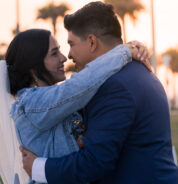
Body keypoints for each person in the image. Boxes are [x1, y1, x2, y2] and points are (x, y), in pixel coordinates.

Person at [21, 1, 178, 184]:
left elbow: (95, 162)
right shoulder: (139, 72)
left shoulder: (114, 86)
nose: (68, 55)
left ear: (91, 42)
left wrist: (38, 168)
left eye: (71, 44)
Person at [0, 26, 149, 184]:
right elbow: (80, 85)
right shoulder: (30, 104)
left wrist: (134, 48)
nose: (64, 57)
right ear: (33, 68)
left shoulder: (56, 101)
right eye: (54, 53)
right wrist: (123, 52)